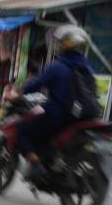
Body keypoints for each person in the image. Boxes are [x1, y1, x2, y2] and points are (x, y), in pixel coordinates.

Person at [10, 25, 96, 185]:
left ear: (65, 45)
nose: (58, 45)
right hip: (77, 120)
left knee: (22, 130)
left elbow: (36, 84)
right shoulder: (88, 68)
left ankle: (36, 165)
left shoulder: (58, 66)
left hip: (56, 117)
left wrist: (17, 93)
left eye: (61, 42)